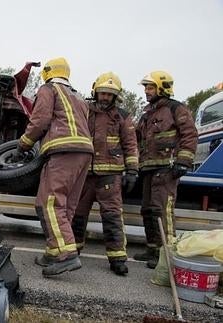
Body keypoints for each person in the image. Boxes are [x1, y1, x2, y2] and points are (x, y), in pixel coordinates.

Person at [17, 57, 94, 277]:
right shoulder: (78, 96)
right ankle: (53, 251)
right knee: (66, 205)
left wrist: (24, 142)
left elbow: (40, 119)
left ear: (48, 72)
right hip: (84, 153)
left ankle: (66, 255)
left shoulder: (49, 89)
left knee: (49, 203)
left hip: (63, 150)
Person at [70, 72, 139, 276]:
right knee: (77, 216)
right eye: (103, 93)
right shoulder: (84, 110)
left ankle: (117, 258)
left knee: (112, 217)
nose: (106, 97)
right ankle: (72, 252)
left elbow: (130, 144)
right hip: (85, 174)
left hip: (110, 175)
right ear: (96, 91)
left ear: (115, 96)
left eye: (110, 94)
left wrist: (132, 170)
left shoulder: (122, 116)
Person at [134, 71, 198, 268]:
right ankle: (153, 249)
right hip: (148, 168)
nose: (146, 91)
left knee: (163, 210)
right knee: (148, 210)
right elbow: (136, 138)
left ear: (162, 88)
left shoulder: (176, 108)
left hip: (167, 168)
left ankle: (167, 255)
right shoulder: (147, 114)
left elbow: (189, 134)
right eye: (145, 87)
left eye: (150, 87)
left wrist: (183, 161)